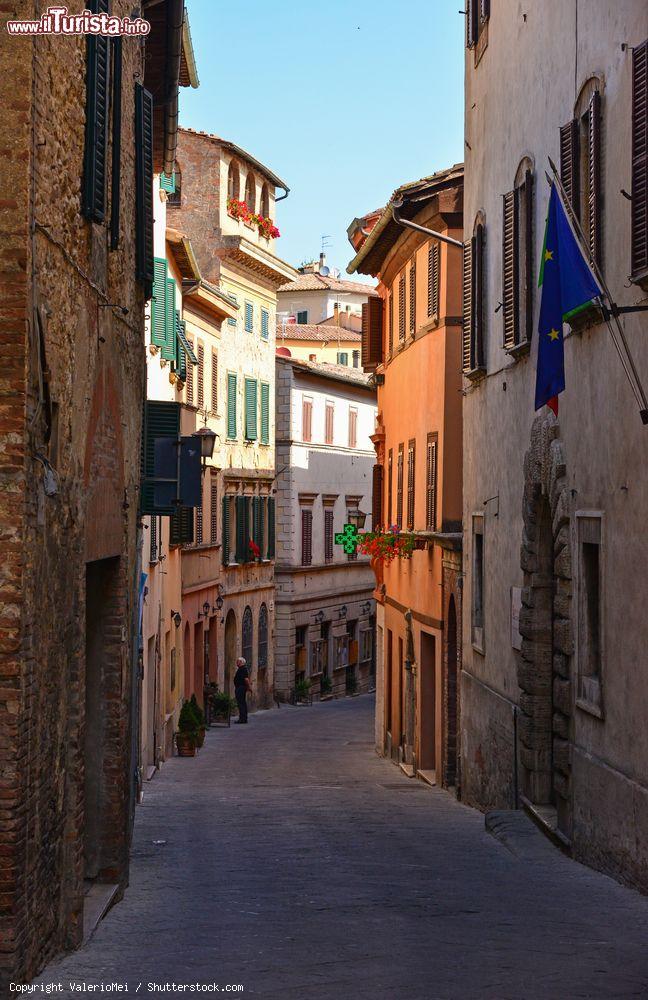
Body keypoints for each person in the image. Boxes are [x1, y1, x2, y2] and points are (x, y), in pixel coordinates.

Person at [233, 656, 251, 724]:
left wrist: (249, 687)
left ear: (241, 662)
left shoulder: (243, 669)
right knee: (241, 703)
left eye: (237, 661)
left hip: (241, 688)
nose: (236, 662)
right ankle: (243, 718)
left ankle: (242, 719)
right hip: (240, 687)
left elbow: (246, 679)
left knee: (241, 703)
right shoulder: (241, 669)